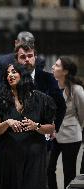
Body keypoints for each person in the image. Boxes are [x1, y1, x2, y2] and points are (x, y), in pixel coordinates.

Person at [0, 63, 56, 189]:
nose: (10, 75)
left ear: (23, 74)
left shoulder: (42, 99)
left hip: (34, 157)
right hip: (8, 157)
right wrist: (7, 123)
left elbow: (51, 128)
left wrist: (36, 126)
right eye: (7, 73)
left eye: (13, 72)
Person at [48, 57, 84, 189]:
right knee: (48, 168)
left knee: (69, 172)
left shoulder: (76, 90)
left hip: (71, 136)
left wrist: (76, 126)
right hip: (53, 134)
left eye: (57, 65)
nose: (53, 67)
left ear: (65, 71)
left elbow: (82, 114)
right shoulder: (52, 87)